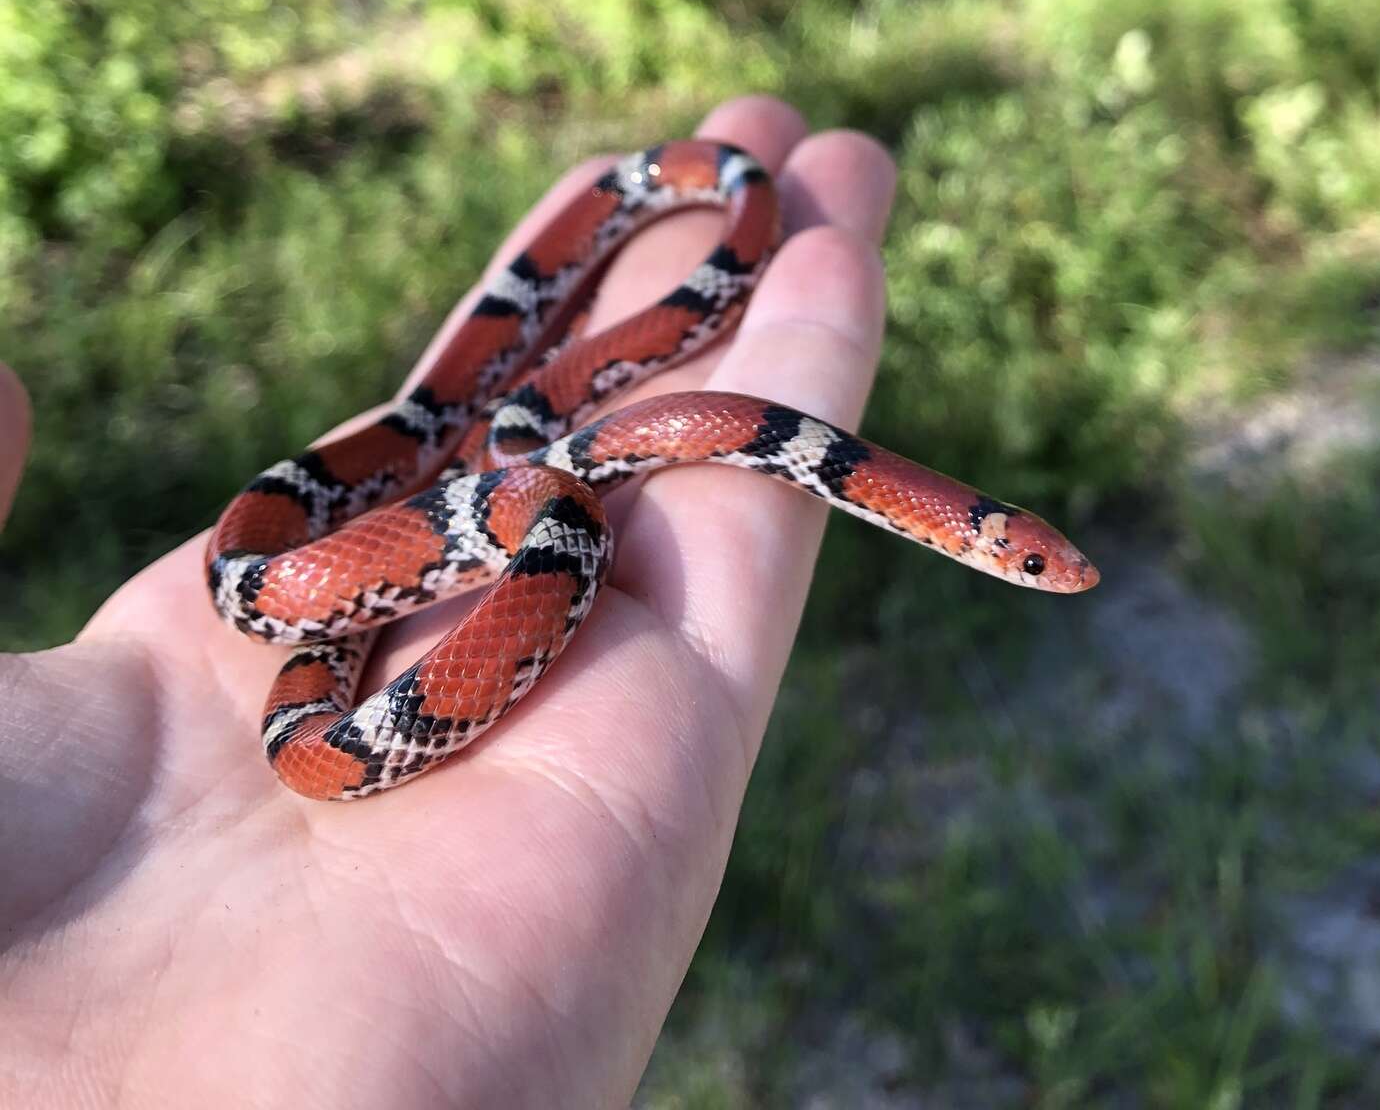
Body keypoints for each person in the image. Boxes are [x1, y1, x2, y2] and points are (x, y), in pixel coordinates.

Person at [0, 96, 896, 1108]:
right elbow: (278, 594)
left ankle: (718, 196)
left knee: (526, 481)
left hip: (506, 498)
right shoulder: (304, 590)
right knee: (475, 495)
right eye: (1036, 564)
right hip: (394, 573)